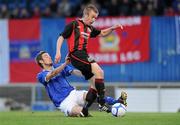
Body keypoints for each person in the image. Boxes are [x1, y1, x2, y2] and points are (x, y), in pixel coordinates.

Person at [54, 4, 124, 116]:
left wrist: (112, 28)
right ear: (86, 14)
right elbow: (61, 37)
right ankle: (101, 103)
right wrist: (58, 52)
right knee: (100, 72)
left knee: (94, 86)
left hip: (83, 55)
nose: (93, 20)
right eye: (92, 17)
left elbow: (102, 33)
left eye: (95, 18)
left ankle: (85, 109)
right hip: (76, 55)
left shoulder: (90, 28)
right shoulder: (74, 24)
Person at [35, 51, 127, 117]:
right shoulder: (41, 75)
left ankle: (117, 102)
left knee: (91, 96)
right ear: (41, 61)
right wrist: (65, 63)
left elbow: (74, 72)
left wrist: (87, 71)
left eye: (49, 55)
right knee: (83, 113)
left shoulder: (59, 66)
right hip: (63, 102)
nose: (49, 57)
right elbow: (52, 74)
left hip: (73, 93)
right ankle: (90, 111)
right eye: (46, 56)